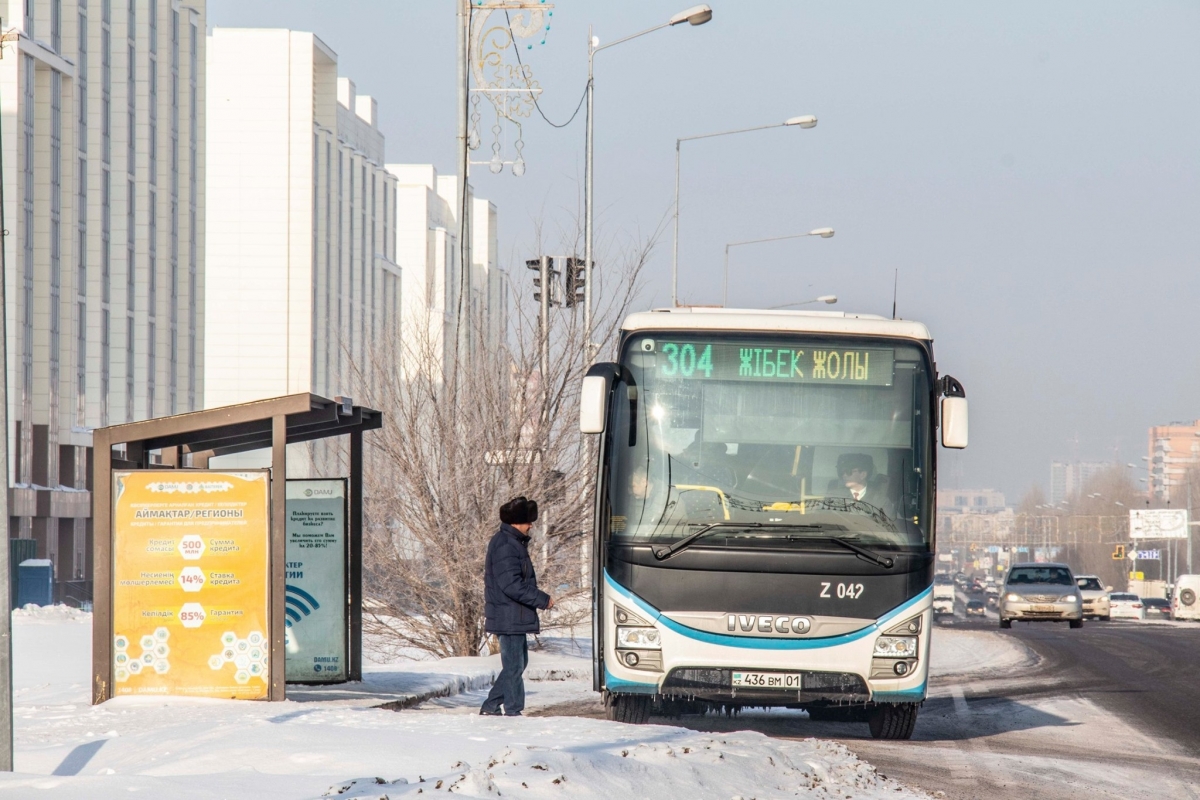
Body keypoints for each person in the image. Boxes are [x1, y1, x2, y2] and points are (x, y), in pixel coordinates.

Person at [480, 496, 553, 717]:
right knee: (514, 666)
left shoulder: (511, 543)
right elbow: (512, 584)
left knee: (517, 665)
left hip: (513, 614)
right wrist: (542, 599)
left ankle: (492, 706)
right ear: (516, 522)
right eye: (528, 521)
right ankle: (512, 711)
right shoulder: (506, 545)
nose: (531, 525)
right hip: (508, 615)